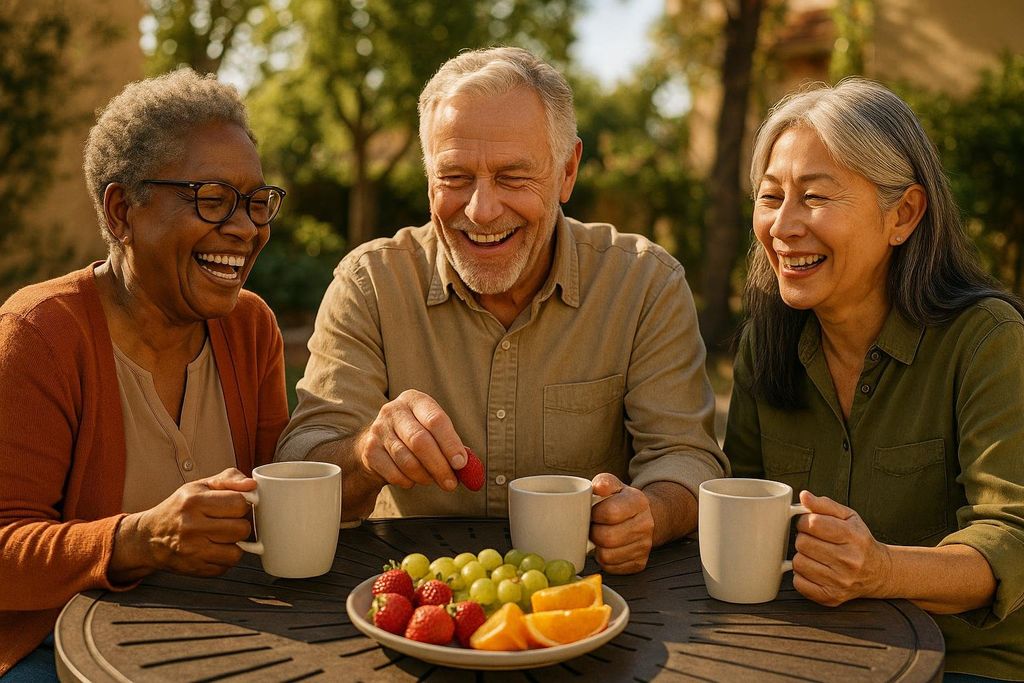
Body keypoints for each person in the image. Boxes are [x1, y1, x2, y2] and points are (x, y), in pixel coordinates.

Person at [277, 47, 726, 575]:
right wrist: (365, 452)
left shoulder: (645, 284)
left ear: (567, 171)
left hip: (586, 602)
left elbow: (687, 459)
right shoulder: (370, 284)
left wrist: (650, 512)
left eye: (513, 177)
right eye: (455, 178)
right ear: (428, 177)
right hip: (408, 599)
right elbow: (300, 466)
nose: (480, 210)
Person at [725, 78, 1024, 680]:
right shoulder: (766, 342)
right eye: (770, 196)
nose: (782, 227)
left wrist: (882, 570)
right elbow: (739, 496)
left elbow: (1013, 539)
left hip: (964, 665)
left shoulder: (988, 339)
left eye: (814, 197)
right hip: (802, 655)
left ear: (903, 214)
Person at [0, 68, 289, 678]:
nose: (244, 227)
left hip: (219, 634)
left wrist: (365, 461)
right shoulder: (40, 333)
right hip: (53, 651)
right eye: (212, 198)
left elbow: (279, 499)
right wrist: (137, 539)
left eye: (257, 201)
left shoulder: (250, 327)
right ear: (122, 209)